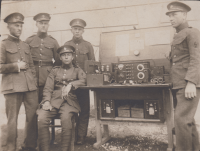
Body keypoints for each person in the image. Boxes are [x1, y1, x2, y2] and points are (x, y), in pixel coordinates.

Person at [0, 13, 38, 151]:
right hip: (12, 88)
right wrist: (16, 66)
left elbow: (32, 66)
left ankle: (29, 146)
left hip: (29, 87)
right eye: (16, 25)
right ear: (8, 27)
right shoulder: (3, 45)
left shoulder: (25, 45)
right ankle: (10, 148)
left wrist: (33, 81)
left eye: (21, 25)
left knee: (33, 117)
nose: (19, 28)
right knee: (12, 120)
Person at [37, 45, 86, 151]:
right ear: (60, 58)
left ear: (72, 57)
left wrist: (71, 84)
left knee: (66, 119)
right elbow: (48, 88)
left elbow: (84, 80)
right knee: (41, 118)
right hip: (54, 101)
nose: (66, 57)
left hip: (70, 102)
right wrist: (46, 101)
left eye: (68, 55)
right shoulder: (54, 71)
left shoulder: (77, 70)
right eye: (64, 55)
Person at [166, 1, 200, 151]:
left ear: (185, 15)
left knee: (181, 121)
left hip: (187, 85)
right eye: (169, 15)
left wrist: (191, 82)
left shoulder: (193, 32)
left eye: (174, 14)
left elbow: (197, 58)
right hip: (178, 84)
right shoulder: (178, 35)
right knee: (187, 121)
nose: (170, 18)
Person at [64, 18, 95, 144]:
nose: (77, 31)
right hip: (69, 83)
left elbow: (93, 64)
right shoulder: (66, 44)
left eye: (79, 29)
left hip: (83, 83)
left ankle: (81, 136)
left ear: (83, 31)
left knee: (84, 109)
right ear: (71, 30)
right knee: (70, 109)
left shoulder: (88, 45)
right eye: (75, 29)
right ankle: (71, 136)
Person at [25, 13, 61, 103]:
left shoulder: (53, 41)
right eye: (41, 23)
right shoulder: (29, 40)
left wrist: (53, 75)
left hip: (47, 76)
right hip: (32, 75)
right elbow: (25, 59)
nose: (43, 25)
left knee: (47, 100)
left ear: (48, 25)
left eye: (46, 23)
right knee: (32, 103)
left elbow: (58, 61)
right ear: (36, 24)